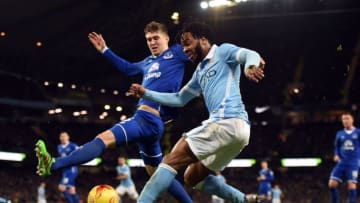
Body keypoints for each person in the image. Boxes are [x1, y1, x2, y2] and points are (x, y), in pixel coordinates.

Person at [35, 21, 192, 203]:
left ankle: (54, 163)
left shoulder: (177, 53)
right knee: (158, 174)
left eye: (156, 38)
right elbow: (127, 68)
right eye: (149, 39)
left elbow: (200, 52)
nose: (152, 42)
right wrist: (105, 50)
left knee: (103, 139)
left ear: (166, 38)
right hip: (151, 125)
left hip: (145, 120)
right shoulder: (148, 62)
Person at [127, 21, 266, 203]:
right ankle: (244, 200)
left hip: (226, 121)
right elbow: (179, 99)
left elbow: (250, 54)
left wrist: (250, 67)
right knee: (192, 177)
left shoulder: (222, 51)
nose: (184, 49)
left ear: (203, 40)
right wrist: (147, 93)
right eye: (183, 45)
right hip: (238, 133)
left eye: (188, 43)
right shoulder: (200, 71)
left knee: (170, 160)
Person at [328, 113, 360, 203]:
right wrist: (336, 154)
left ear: (352, 120)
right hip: (342, 162)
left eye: (347, 118)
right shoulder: (339, 133)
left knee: (351, 185)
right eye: (343, 119)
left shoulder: (358, 132)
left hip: (353, 163)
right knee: (331, 184)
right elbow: (337, 147)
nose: (345, 121)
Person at [57, 132, 80, 203]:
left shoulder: (73, 146)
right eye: (61, 136)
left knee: (61, 187)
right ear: (59, 138)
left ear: (68, 137)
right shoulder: (59, 147)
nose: (63, 138)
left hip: (71, 170)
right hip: (64, 170)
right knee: (72, 191)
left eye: (64, 136)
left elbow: (79, 153)